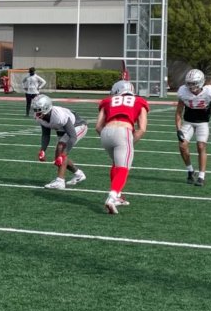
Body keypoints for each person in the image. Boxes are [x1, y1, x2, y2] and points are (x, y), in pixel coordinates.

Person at [96, 80, 149, 214]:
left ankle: (118, 196)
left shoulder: (107, 101)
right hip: (123, 131)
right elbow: (142, 129)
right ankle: (112, 197)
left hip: (106, 133)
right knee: (123, 168)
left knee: (116, 164)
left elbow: (98, 126)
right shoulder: (139, 101)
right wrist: (129, 142)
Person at [32, 95, 87, 189]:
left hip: (77, 126)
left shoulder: (58, 116)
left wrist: (64, 154)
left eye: (39, 110)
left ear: (46, 108)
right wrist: (43, 150)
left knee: (61, 149)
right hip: (63, 128)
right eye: (35, 110)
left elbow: (72, 137)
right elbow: (45, 134)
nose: (37, 113)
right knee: (58, 157)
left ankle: (60, 181)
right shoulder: (41, 117)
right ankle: (79, 174)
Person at [175, 69, 211, 187]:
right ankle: (190, 170)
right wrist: (178, 129)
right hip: (188, 122)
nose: (191, 86)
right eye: (189, 83)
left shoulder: (210, 92)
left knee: (201, 146)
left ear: (201, 82)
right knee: (182, 145)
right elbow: (179, 112)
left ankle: (201, 176)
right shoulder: (183, 92)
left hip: (203, 122)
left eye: (194, 83)